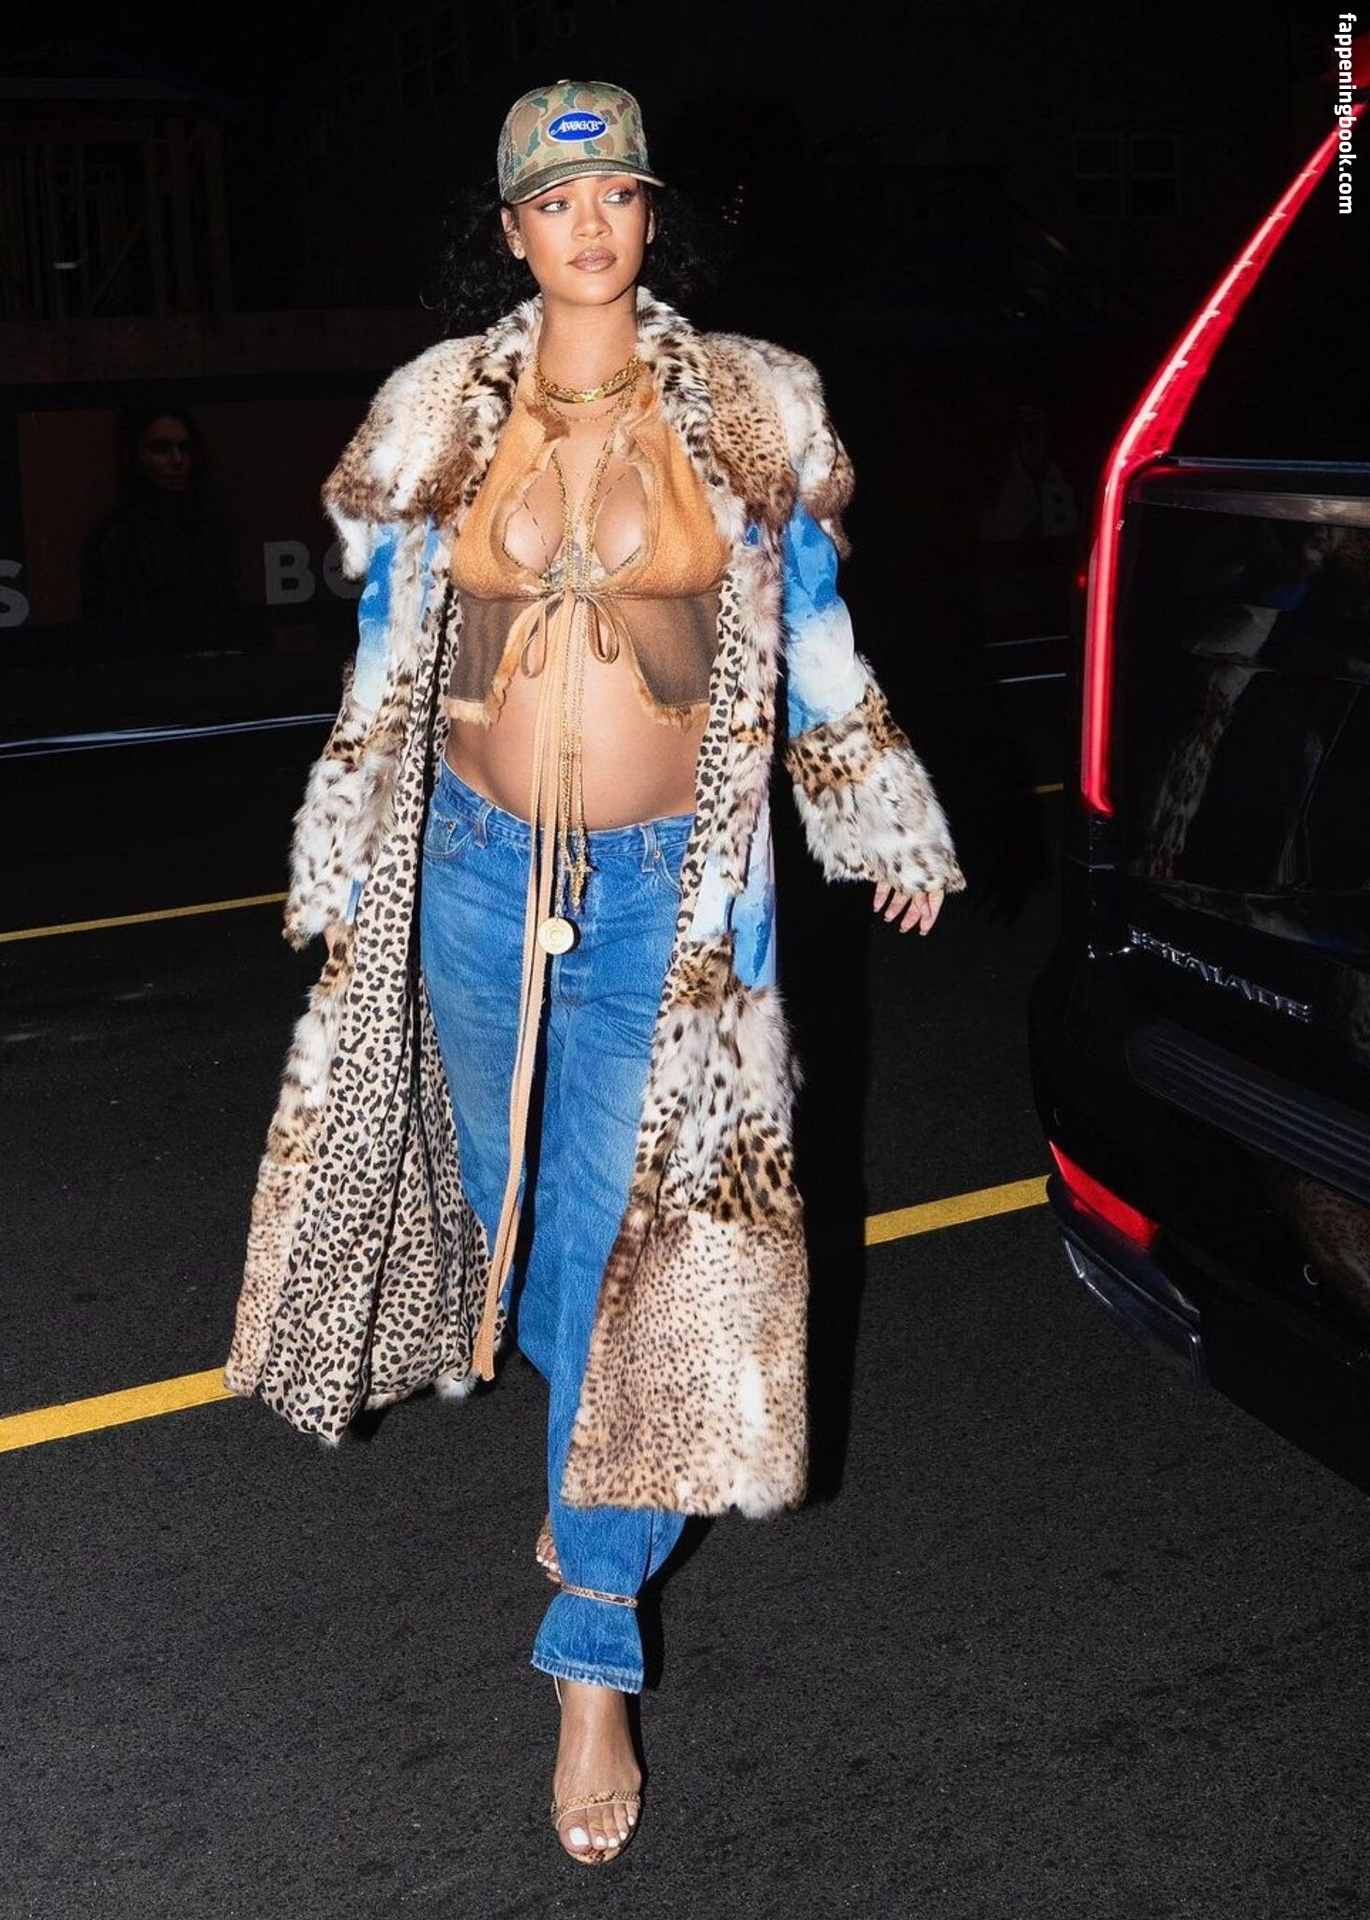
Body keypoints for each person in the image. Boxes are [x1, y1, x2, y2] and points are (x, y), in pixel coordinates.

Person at [224, 79, 965, 1867]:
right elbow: (386, 658)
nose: (587, 226)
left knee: (637, 1246)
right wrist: (344, 848)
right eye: (553, 203)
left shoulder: (755, 406)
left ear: (648, 216)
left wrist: (877, 808)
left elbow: (809, 629)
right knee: (531, 1231)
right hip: (473, 880)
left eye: (616, 197)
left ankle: (592, 1642)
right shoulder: (433, 413)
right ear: (510, 229)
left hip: (668, 902)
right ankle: (603, 1467)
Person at [80, 406, 234, 630]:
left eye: (185, 448)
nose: (178, 460)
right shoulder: (113, 542)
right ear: (132, 456)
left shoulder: (209, 532)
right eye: (161, 449)